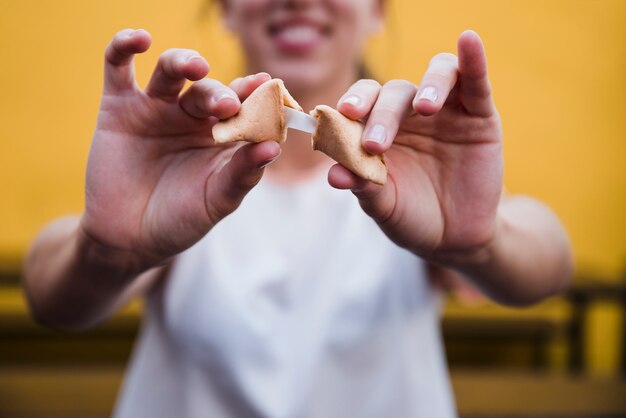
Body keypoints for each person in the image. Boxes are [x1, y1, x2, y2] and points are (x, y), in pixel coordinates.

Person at [23, 0, 573, 416]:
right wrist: (107, 251)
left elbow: (548, 260)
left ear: (377, 10)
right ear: (226, 10)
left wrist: (481, 244)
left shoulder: (409, 167)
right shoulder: (181, 169)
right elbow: (54, 300)